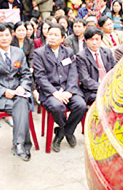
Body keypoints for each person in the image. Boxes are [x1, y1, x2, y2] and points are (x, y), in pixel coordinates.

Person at [0, 24, 33, 161]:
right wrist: (4, 91)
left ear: (11, 36)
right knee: (22, 107)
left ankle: (18, 144)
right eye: (0, 35)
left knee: (21, 102)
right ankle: (22, 145)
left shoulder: (18, 52)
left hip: (18, 92)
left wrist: (23, 86)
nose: (4, 38)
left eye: (7, 35)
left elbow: (26, 75)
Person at [33, 23, 87, 152]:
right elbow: (40, 77)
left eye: (56, 35)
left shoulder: (67, 51)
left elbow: (73, 73)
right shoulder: (39, 53)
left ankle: (65, 131)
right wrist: (55, 92)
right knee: (57, 107)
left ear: (62, 38)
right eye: (50, 34)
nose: (52, 37)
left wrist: (69, 91)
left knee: (81, 105)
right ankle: (64, 130)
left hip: (68, 89)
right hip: (50, 92)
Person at [76, 27, 116, 105]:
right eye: (91, 39)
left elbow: (114, 71)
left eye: (97, 39)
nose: (94, 43)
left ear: (101, 40)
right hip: (92, 91)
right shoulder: (81, 56)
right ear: (86, 41)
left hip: (110, 87)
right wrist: (103, 88)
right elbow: (85, 80)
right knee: (104, 99)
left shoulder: (107, 52)